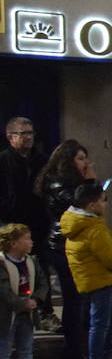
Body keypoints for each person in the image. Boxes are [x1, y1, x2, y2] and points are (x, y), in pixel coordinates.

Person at [61, 181, 112, 359]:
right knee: (100, 323)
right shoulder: (94, 227)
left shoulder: (74, 222)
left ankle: (105, 358)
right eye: (103, 201)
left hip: (88, 278)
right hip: (98, 279)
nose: (106, 204)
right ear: (91, 205)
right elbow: (111, 258)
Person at [36, 138, 94, 359]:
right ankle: (72, 351)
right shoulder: (57, 183)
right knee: (74, 300)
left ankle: (77, 350)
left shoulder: (73, 182)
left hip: (76, 245)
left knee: (79, 300)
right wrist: (91, 182)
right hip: (62, 247)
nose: (84, 163)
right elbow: (82, 206)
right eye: (80, 159)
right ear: (68, 161)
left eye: (85, 158)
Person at [0, 116, 57, 330]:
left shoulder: (42, 161)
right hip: (11, 225)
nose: (29, 137)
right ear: (10, 137)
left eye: (31, 133)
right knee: (12, 272)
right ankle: (12, 313)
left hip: (38, 224)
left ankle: (45, 312)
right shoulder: (3, 161)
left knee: (41, 268)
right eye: (23, 134)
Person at [0, 222, 48, 359]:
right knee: (4, 349)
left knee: (26, 347)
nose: (31, 242)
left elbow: (43, 282)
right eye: (26, 239)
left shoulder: (31, 261)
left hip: (27, 313)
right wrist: (22, 303)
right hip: (6, 315)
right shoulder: (2, 263)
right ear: (13, 243)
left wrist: (36, 299)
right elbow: (4, 291)